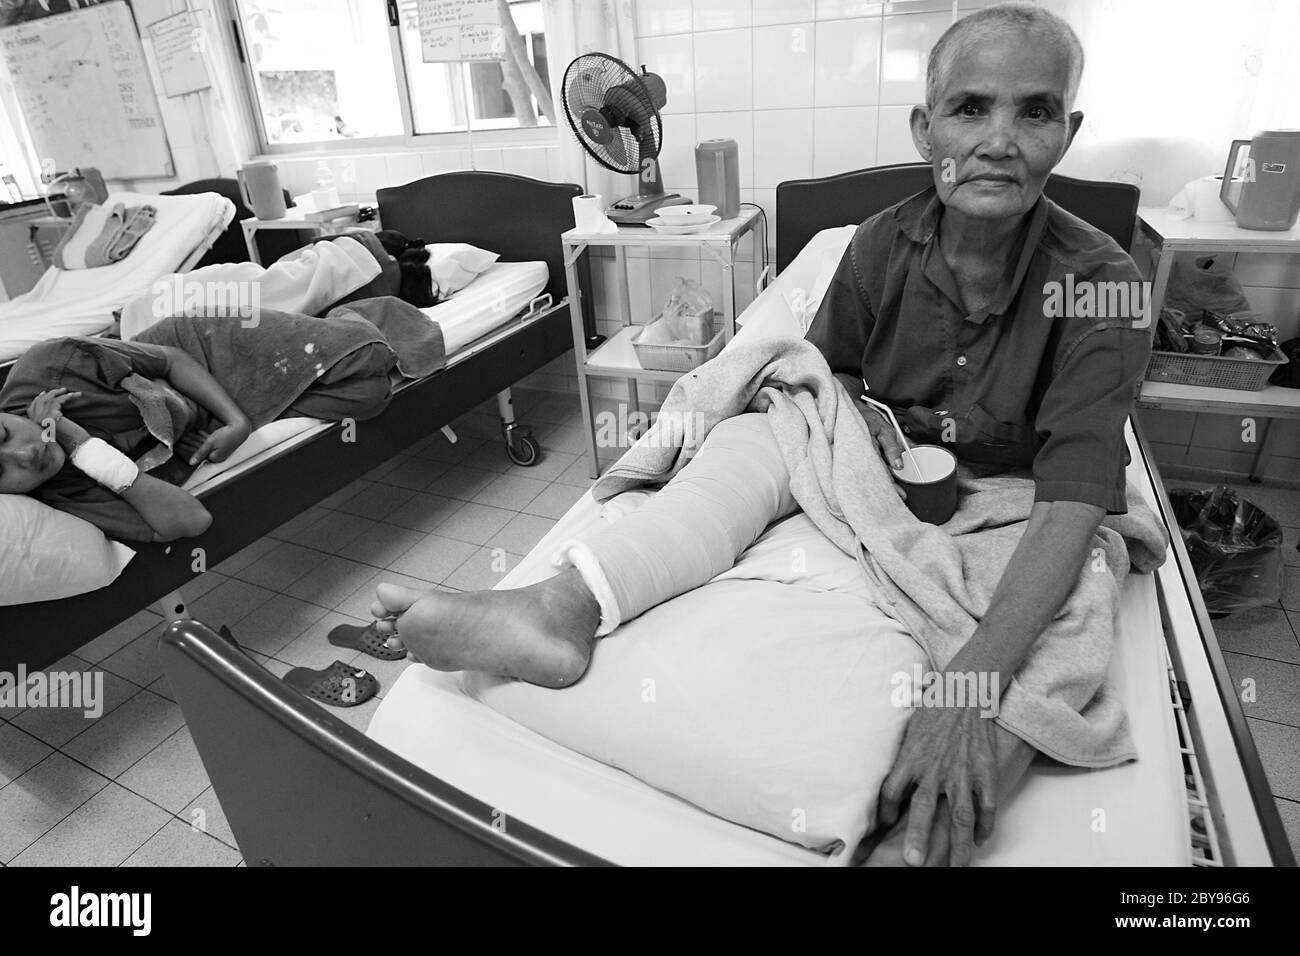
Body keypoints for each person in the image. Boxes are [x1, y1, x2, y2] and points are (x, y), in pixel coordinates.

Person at [366, 2, 1153, 866]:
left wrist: (967, 684)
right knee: (768, 415)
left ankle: (924, 836)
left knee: (1083, 580)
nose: (1001, 139)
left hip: (1018, 496)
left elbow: (1076, 494)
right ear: (927, 128)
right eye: (972, 108)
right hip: (875, 456)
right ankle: (563, 608)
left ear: (1068, 132)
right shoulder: (875, 247)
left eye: (1034, 111)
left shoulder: (1101, 284)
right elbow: (824, 377)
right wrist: (875, 432)